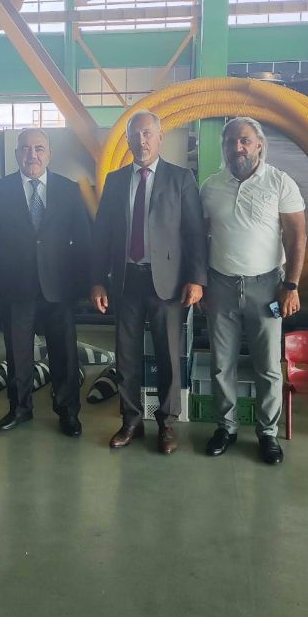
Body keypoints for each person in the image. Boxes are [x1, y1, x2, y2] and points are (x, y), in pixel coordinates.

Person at [91, 110, 207, 455]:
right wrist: (97, 281)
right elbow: (101, 235)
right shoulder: (115, 181)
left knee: (168, 354)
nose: (141, 141)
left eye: (147, 134)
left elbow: (194, 233)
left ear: (159, 138)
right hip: (126, 280)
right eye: (135, 134)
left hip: (168, 284)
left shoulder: (181, 178)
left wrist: (196, 279)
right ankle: (131, 421)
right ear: (127, 140)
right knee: (126, 355)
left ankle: (166, 423)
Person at [200, 116, 306, 466]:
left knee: (268, 366)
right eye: (231, 141)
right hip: (220, 286)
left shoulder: (280, 183)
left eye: (245, 140)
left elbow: (297, 237)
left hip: (267, 288)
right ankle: (226, 428)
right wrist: (200, 283)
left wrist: (291, 285)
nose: (238, 147)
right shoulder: (211, 186)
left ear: (259, 144)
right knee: (221, 364)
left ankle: (268, 433)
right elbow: (199, 238)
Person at [0, 128, 91, 438]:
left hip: (60, 287)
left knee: (64, 353)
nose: (33, 154)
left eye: (39, 148)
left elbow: (84, 241)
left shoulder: (68, 190)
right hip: (15, 286)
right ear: (17, 154)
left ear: (49, 154)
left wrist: (84, 285)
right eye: (26, 148)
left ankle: (68, 412)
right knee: (18, 353)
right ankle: (19, 408)